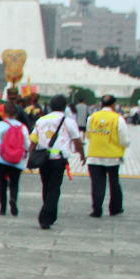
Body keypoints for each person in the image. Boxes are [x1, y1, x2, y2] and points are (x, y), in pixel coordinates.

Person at [29, 94, 85, 229]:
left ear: (50, 106)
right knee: (54, 188)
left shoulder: (41, 120)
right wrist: (82, 154)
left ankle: (49, 213)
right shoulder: (68, 121)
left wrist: (30, 157)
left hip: (43, 159)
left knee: (46, 186)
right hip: (58, 159)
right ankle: (46, 217)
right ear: (65, 106)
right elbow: (77, 140)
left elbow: (33, 140)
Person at [85, 95, 131, 217]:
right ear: (113, 104)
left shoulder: (92, 118)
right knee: (114, 183)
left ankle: (97, 209)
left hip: (94, 155)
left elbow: (88, 135)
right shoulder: (118, 119)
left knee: (97, 184)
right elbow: (124, 140)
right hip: (113, 157)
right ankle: (115, 208)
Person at [0, 101, 28, 216]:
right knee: (14, 183)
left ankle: (2, 208)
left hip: (0, 159)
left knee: (2, 183)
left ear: (4, 113)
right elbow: (27, 144)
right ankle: (13, 199)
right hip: (17, 160)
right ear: (17, 113)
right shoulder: (22, 127)